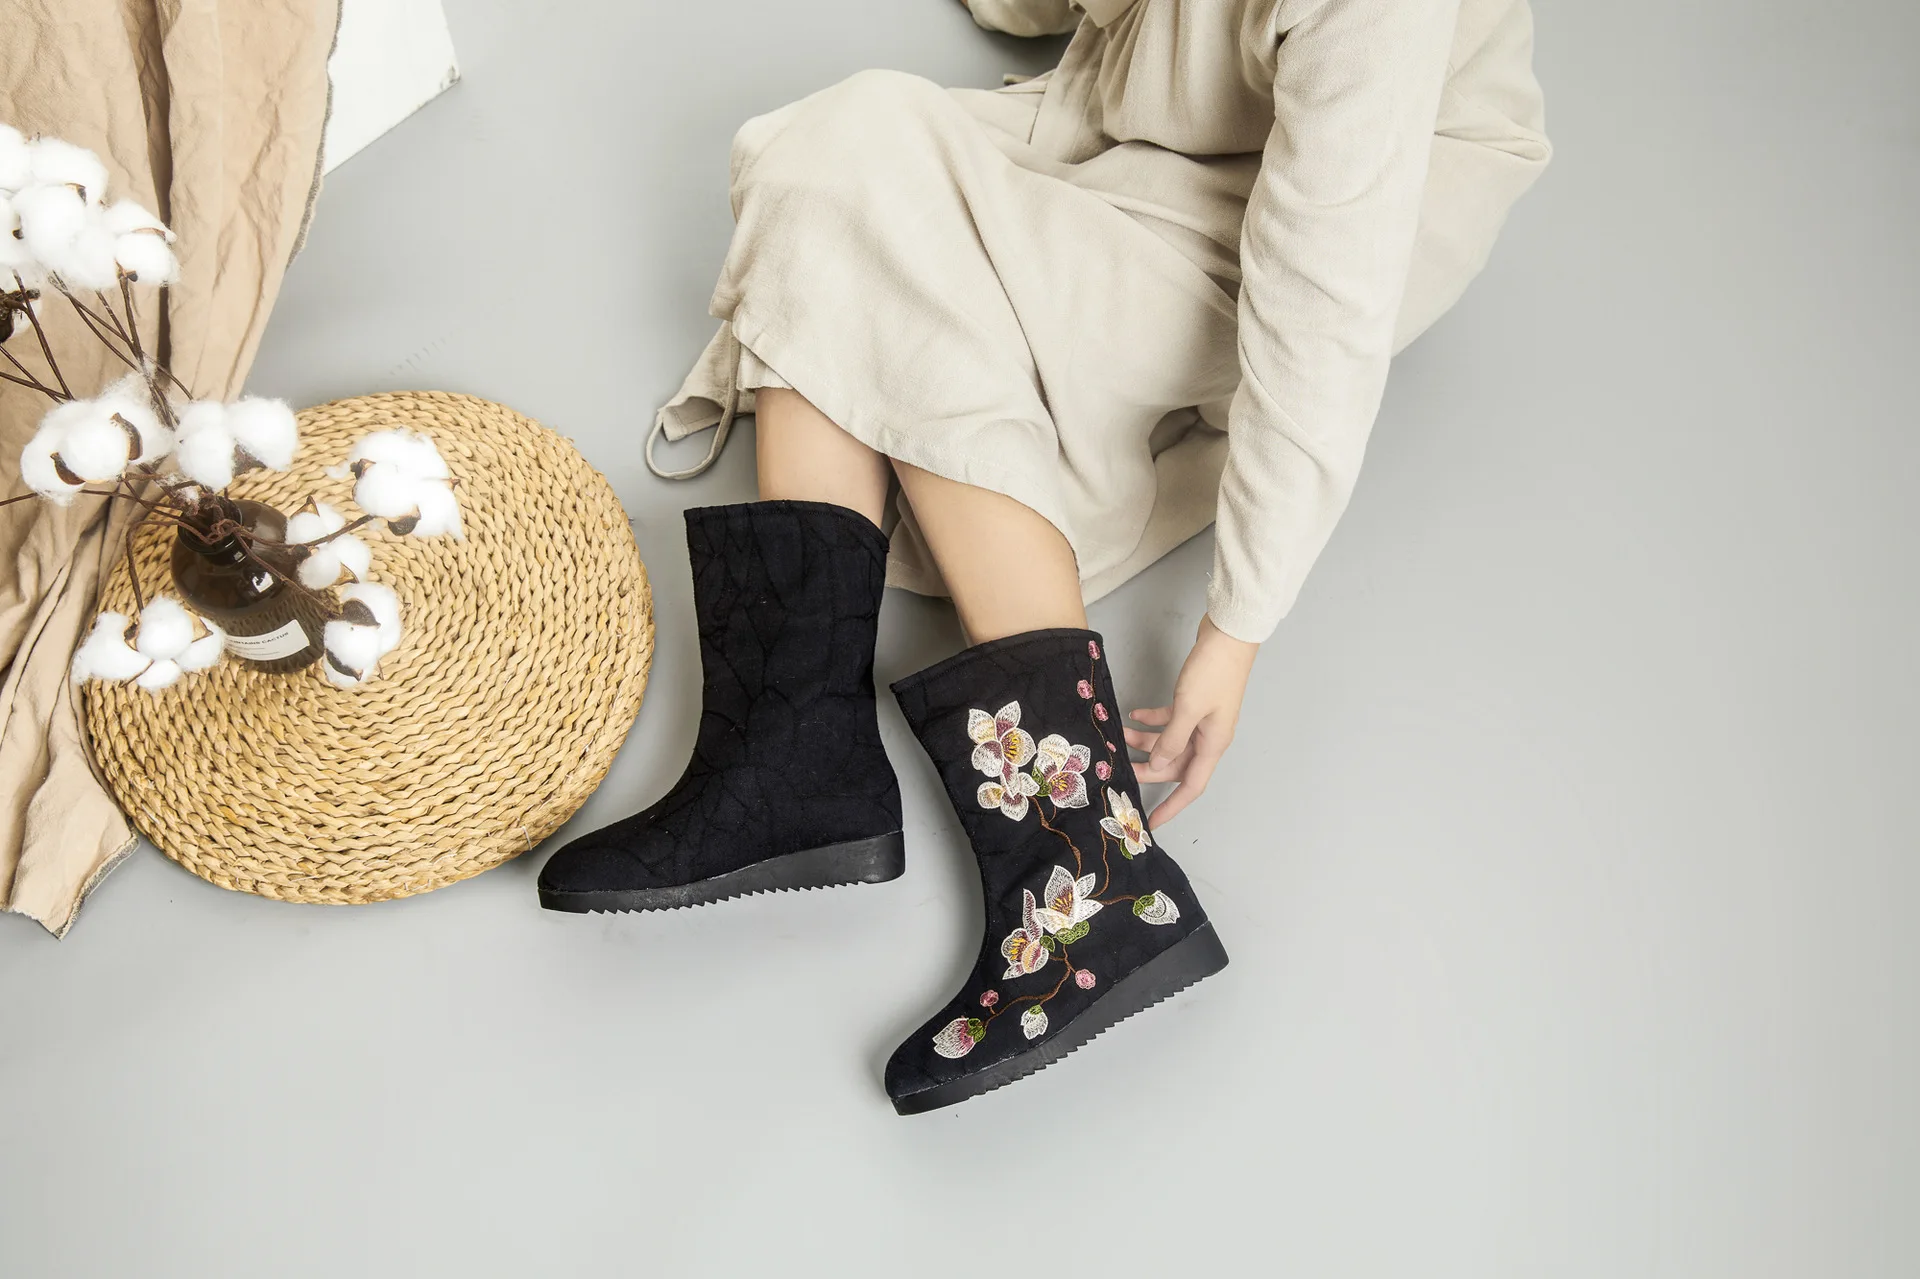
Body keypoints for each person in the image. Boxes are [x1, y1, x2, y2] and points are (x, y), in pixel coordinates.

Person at [540, 0, 1551, 1114]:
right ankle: (790, 754)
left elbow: (1324, 311)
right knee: (835, 150)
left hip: (1333, 203)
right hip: (1129, 139)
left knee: (916, 285)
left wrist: (1237, 631)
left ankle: (1089, 872)